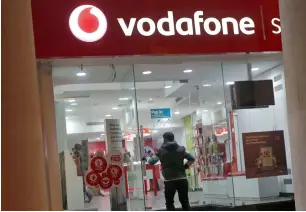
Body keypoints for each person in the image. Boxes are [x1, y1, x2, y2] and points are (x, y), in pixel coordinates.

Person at [146, 132, 195, 211]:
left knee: (169, 203)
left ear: (164, 139)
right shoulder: (181, 149)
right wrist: (184, 167)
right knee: (185, 202)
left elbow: (151, 162)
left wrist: (147, 158)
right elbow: (192, 159)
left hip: (169, 181)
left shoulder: (161, 151)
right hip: (182, 179)